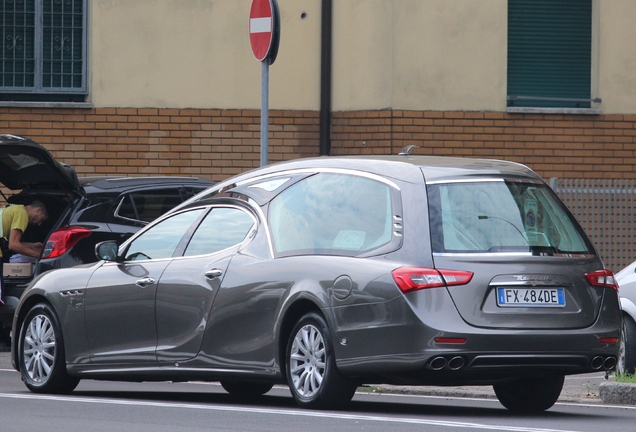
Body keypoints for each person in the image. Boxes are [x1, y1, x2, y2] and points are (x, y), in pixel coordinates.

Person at [0, 201, 48, 305]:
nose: (39, 224)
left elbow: (8, 241)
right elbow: (13, 245)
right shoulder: (22, 214)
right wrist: (38, 255)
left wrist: (31, 245)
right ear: (38, 210)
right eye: (42, 219)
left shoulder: (13, 209)